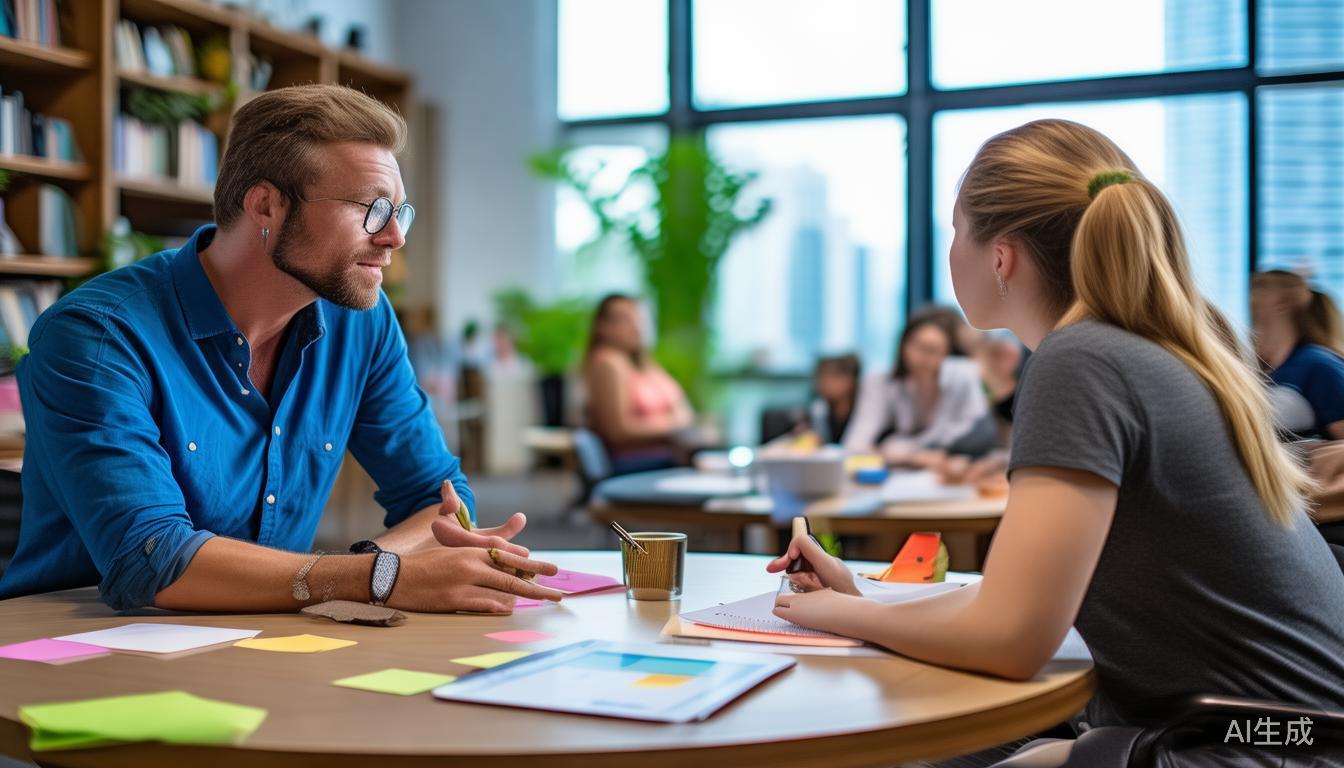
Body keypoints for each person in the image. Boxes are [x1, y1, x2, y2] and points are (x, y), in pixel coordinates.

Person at [771, 119, 1344, 765]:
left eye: (956, 229)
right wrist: (864, 598)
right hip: (1292, 731)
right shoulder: (1150, 350)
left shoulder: (1082, 360)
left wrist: (833, 615)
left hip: (1255, 747)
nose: (951, 249)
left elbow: (1012, 639)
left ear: (1001, 256)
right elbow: (1020, 600)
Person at [0, 85, 562, 614]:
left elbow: (438, 499)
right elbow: (152, 558)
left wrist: (374, 568)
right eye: (372, 208)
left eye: (400, 212)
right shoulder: (97, 336)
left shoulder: (360, 322)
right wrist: (380, 578)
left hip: (273, 632)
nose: (395, 237)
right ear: (266, 206)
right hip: (86, 641)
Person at [843, 306, 989, 464]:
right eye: (916, 346)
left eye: (932, 350)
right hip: (899, 470)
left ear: (948, 354)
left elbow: (977, 431)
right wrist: (910, 457)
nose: (922, 357)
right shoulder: (880, 383)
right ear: (903, 344)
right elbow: (854, 445)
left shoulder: (960, 377)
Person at [582, 293, 695, 474]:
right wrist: (675, 427)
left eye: (639, 319)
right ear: (602, 326)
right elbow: (619, 431)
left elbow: (680, 404)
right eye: (624, 319)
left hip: (661, 457)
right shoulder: (609, 362)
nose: (636, 327)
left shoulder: (642, 364)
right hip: (636, 462)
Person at [1250, 269, 1344, 440]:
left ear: (1283, 303)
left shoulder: (1318, 365)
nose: (1252, 298)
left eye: (1262, 289)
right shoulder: (1264, 368)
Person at [761, 354, 862, 446]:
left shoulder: (864, 413)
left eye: (831, 376)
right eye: (819, 377)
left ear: (850, 379)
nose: (822, 383)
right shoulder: (815, 411)